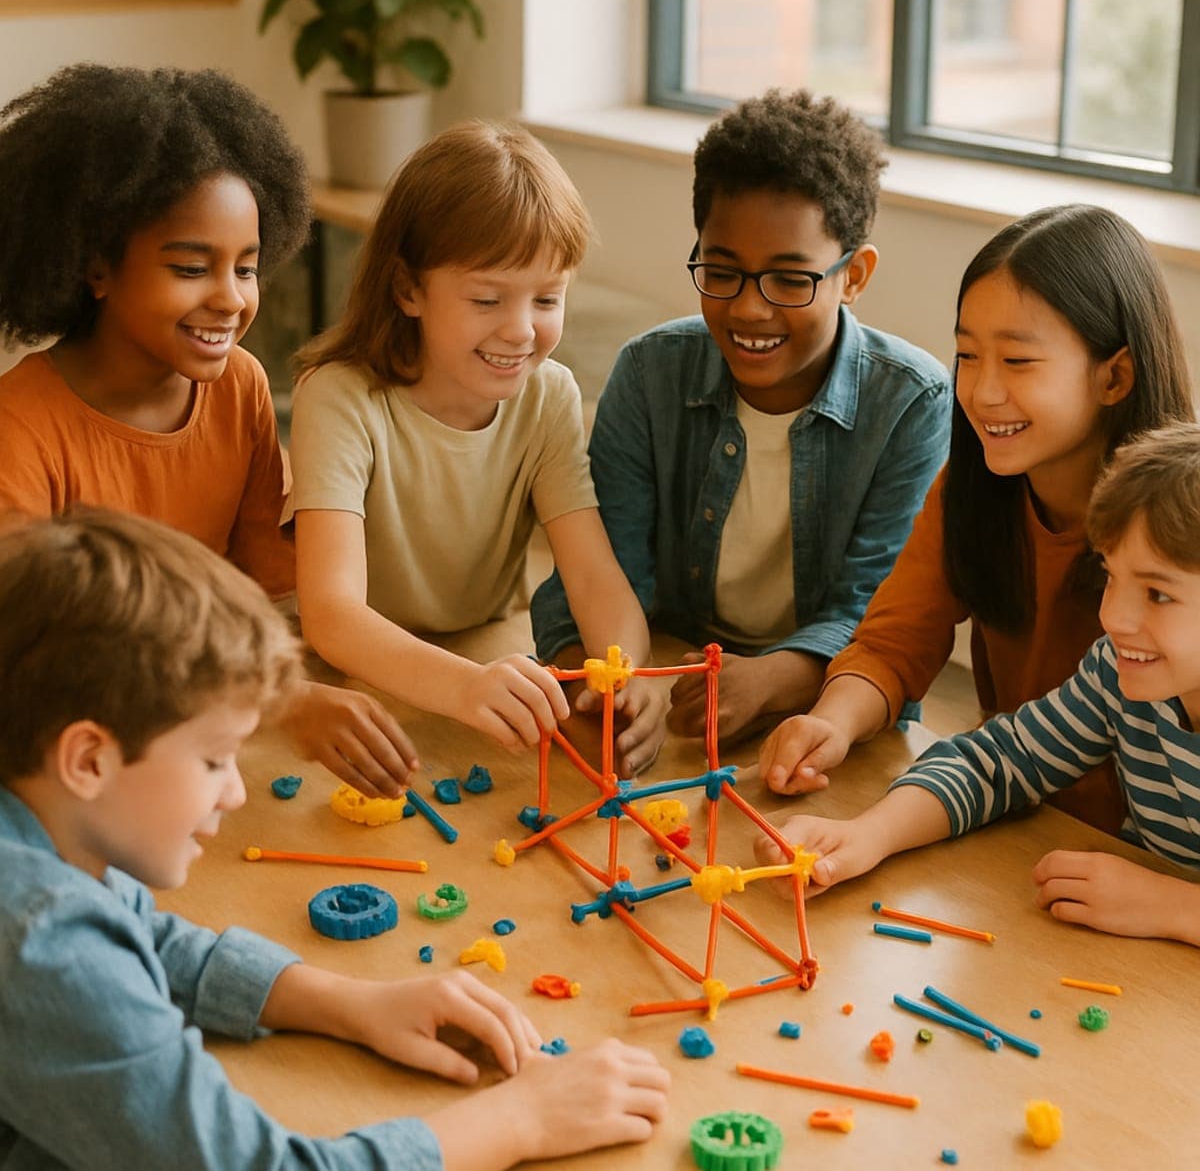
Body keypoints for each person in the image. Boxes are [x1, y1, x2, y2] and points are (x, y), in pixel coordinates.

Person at [0, 508, 671, 1170]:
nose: (235, 792)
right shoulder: (42, 939)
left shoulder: (45, 830)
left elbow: (135, 936)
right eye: (213, 760)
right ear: (87, 761)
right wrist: (520, 1120)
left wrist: (350, 1003)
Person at [0, 63, 417, 799]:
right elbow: (52, 658)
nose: (230, 299)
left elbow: (265, 584)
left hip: (217, 738)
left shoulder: (240, 386)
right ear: (96, 267)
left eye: (248, 269)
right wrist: (273, 701)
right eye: (193, 267)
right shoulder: (21, 425)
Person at [532, 89, 951, 747]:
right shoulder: (649, 375)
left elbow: (879, 616)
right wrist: (602, 682)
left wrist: (769, 680)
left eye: (790, 280)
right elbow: (598, 571)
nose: (751, 310)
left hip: (829, 713)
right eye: (722, 271)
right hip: (668, 687)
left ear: (855, 275)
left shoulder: (913, 403)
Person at [759, 204, 1194, 834]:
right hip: (1009, 810)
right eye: (967, 355)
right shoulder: (972, 488)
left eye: (1017, 362)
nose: (983, 392)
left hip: (1146, 856)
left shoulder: (1180, 530)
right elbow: (896, 642)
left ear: (1115, 375)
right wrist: (831, 722)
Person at [287, 119, 666, 778]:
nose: (521, 330)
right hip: (362, 679)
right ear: (408, 290)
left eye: (548, 297)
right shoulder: (338, 396)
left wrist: (626, 675)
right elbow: (331, 616)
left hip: (487, 651)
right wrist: (465, 686)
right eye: (488, 298)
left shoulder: (548, 397)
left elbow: (595, 578)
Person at [758, 424, 1200, 948]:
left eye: (1157, 594)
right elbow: (996, 762)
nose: (1114, 617)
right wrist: (869, 835)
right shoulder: (1117, 676)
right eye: (1111, 576)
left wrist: (1174, 906)